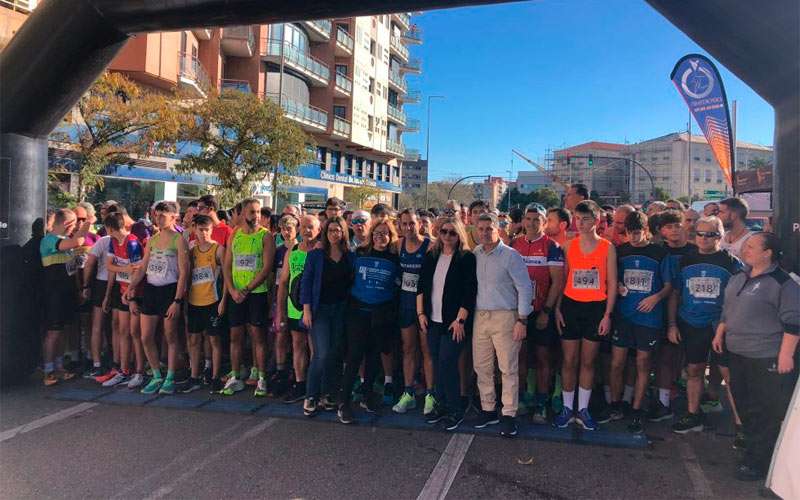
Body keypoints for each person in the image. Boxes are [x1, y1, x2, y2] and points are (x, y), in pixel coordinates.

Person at [712, 232, 799, 481]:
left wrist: (786, 356)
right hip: (737, 353)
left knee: (764, 411)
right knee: (744, 406)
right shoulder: (739, 277)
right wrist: (720, 332)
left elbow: (793, 322)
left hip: (765, 357)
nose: (745, 249)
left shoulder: (783, 283)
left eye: (751, 246)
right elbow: (728, 309)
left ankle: (759, 462)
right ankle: (752, 451)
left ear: (767, 253)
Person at [668, 216, 741, 434]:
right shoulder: (686, 260)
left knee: (728, 374)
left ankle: (741, 424)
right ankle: (693, 415)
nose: (703, 238)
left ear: (719, 236)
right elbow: (675, 293)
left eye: (709, 234)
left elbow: (739, 296)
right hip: (692, 323)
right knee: (694, 369)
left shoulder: (731, 262)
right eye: (699, 233)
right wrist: (672, 324)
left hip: (721, 325)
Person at [603, 211, 673, 434]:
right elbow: (611, 278)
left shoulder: (660, 253)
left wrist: (656, 297)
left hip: (649, 319)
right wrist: (620, 285)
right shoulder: (620, 251)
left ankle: (636, 408)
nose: (632, 238)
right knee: (617, 363)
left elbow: (670, 285)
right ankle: (615, 404)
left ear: (646, 232)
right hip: (624, 316)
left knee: (643, 363)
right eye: (628, 233)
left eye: (636, 233)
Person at [554, 200, 617, 430]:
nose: (580, 223)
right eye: (577, 219)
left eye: (585, 219)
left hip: (596, 309)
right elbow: (563, 280)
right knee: (569, 361)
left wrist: (607, 315)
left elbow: (611, 282)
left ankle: (583, 409)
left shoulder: (607, 247)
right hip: (571, 307)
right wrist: (558, 308)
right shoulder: (569, 246)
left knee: (588, 362)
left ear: (596, 221)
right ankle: (567, 408)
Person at [471, 213, 533, 437]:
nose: (485, 233)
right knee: (482, 367)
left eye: (489, 228)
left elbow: (525, 288)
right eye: (481, 229)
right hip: (480, 316)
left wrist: (522, 319)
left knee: (508, 368)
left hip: (506, 316)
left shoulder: (511, 256)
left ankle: (508, 413)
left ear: (498, 230)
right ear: (476, 231)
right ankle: (488, 409)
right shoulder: (475, 254)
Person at [337, 219, 400, 424]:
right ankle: (344, 403)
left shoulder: (394, 259)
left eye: (385, 234)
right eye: (377, 233)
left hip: (381, 313)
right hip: (358, 312)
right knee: (355, 356)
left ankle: (367, 395)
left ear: (391, 236)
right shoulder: (360, 254)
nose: (380, 237)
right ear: (371, 235)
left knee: (374, 357)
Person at [417, 217, 477, 431]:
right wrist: (420, 313)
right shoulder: (432, 256)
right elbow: (421, 285)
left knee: (447, 363)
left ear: (459, 234)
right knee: (436, 361)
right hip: (433, 319)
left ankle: (455, 409)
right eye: (444, 232)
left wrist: (461, 319)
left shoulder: (466, 258)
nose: (448, 236)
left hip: (455, 322)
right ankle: (441, 404)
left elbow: (470, 291)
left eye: (452, 233)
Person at [127, 201, 189, 395]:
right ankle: (156, 375)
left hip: (169, 291)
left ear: (173, 217)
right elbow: (144, 267)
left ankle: (170, 377)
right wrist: (131, 287)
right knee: (146, 336)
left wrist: (177, 301)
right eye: (156, 215)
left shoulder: (178, 240)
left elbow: (184, 273)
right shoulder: (152, 240)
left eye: (163, 215)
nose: (158, 219)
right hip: (151, 291)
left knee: (170, 336)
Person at [511, 204, 565, 424]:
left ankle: (542, 402)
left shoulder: (552, 246)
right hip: (519, 313)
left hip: (541, 311)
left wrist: (547, 311)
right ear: (523, 221)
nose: (532, 223)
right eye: (528, 219)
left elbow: (558, 281)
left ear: (544, 223)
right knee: (521, 356)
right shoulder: (515, 244)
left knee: (543, 358)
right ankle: (524, 397)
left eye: (537, 219)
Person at [221, 198, 275, 397]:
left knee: (257, 337)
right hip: (236, 293)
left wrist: (247, 289)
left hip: (256, 294)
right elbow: (227, 265)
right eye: (252, 212)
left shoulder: (265, 236)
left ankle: (261, 377)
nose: (256, 216)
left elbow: (267, 267)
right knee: (235, 336)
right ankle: (235, 376)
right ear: (243, 213)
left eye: (259, 212)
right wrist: (233, 290)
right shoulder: (234, 234)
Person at [300, 216, 353, 416]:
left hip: (341, 310)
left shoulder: (350, 256)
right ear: (325, 232)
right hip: (320, 310)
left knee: (335, 353)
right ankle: (311, 394)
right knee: (321, 354)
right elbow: (306, 282)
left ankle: (329, 393)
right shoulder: (316, 255)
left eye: (338, 230)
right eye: (330, 230)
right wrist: (306, 310)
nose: (334, 234)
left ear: (343, 233)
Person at [649, 209, 698, 422]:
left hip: (692, 312)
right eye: (669, 226)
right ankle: (663, 401)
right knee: (665, 358)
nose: (675, 230)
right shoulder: (657, 251)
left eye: (678, 225)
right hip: (664, 312)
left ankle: (693, 403)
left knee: (692, 362)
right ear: (660, 231)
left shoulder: (695, 250)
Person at [40, 209, 91, 386]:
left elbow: (73, 269)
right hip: (53, 293)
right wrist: (88, 223)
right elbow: (78, 240)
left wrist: (79, 289)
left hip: (67, 292)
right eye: (74, 223)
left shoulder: (65, 242)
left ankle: (59, 367)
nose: (75, 227)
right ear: (68, 224)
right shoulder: (49, 240)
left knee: (62, 332)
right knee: (53, 332)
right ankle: (48, 371)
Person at [392, 209, 436, 415]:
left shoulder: (430, 246)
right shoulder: (398, 245)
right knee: (408, 349)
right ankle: (408, 392)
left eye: (412, 223)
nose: (408, 227)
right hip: (405, 304)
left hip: (425, 307)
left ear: (419, 224)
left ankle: (430, 394)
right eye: (404, 224)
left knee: (427, 350)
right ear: (399, 226)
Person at [275, 214, 319, 403]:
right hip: (294, 309)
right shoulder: (292, 251)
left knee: (315, 349)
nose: (307, 231)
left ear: (318, 231)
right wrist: (280, 312)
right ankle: (300, 385)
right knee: (298, 346)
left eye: (311, 227)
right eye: (304, 227)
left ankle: (315, 386)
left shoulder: (321, 251)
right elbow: (283, 283)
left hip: (316, 310)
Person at [184, 215, 226, 393]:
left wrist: (224, 300)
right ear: (195, 230)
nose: (203, 233)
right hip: (194, 301)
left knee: (214, 339)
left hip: (212, 301)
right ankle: (194, 376)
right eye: (200, 230)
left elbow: (226, 277)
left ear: (211, 230)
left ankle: (215, 376)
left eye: (206, 230)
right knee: (193, 339)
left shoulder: (218, 249)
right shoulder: (191, 249)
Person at [105, 212, 147, 390]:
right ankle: (123, 370)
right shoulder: (112, 241)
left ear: (110, 228)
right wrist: (124, 267)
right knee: (123, 331)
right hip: (122, 290)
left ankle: (139, 371)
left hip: (136, 292)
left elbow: (137, 270)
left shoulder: (132, 242)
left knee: (135, 333)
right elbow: (109, 266)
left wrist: (131, 294)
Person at [270, 214, 299, 396]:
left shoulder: (301, 249)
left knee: (297, 341)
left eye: (289, 229)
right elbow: (274, 277)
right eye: (283, 229)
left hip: (296, 300)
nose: (286, 232)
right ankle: (280, 372)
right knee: (280, 337)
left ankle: (297, 374)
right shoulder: (278, 251)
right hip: (279, 299)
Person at [80, 223, 112, 378]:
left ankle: (98, 363)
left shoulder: (103, 240)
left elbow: (89, 263)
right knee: (116, 327)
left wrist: (86, 285)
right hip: (118, 284)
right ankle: (114, 362)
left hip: (102, 283)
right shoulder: (127, 239)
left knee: (98, 325)